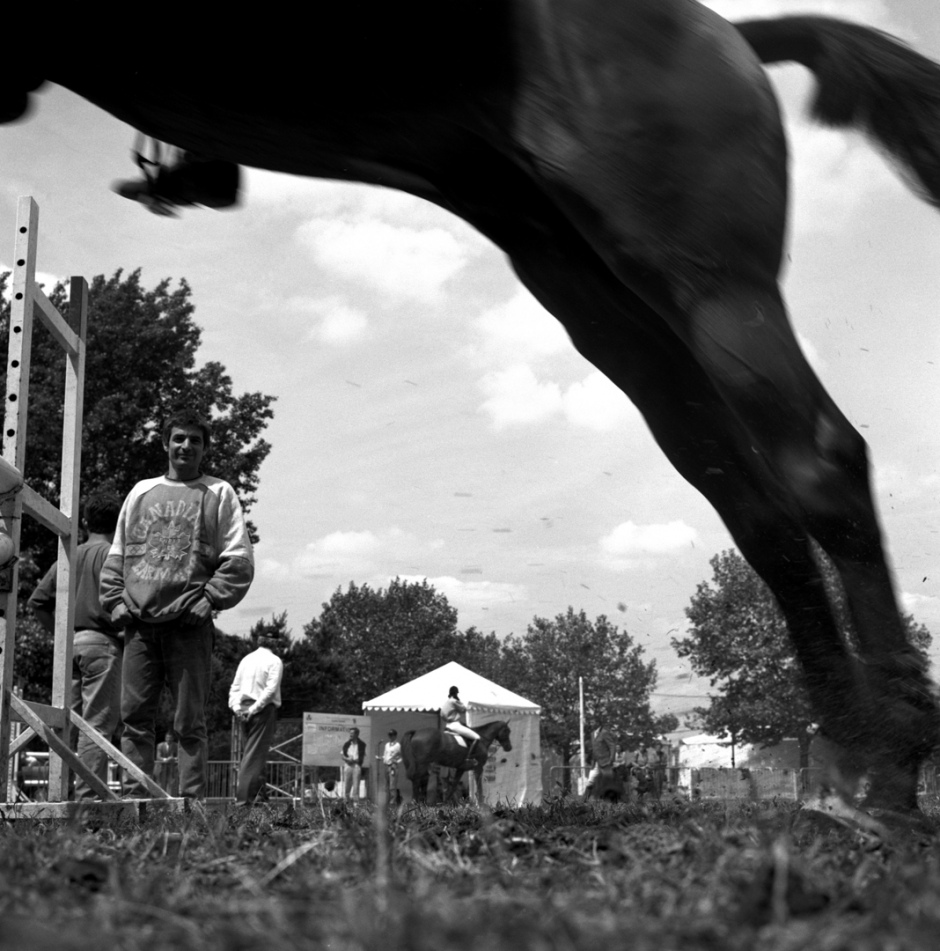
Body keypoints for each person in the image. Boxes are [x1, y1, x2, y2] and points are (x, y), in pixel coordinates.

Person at [100, 409, 255, 799]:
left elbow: (238, 559)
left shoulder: (218, 493)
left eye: (195, 440)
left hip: (188, 623)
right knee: (134, 718)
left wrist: (210, 599)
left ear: (204, 448)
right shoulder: (141, 491)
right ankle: (136, 800)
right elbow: (117, 553)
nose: (186, 446)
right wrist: (114, 600)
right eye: (179, 438)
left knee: (189, 721)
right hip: (139, 623)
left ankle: (191, 804)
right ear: (166, 443)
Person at [28, 492, 125, 801]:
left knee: (63, 722)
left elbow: (38, 602)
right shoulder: (115, 557)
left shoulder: (69, 555)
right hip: (103, 643)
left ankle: (58, 796)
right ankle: (88, 802)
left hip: (68, 645)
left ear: (84, 521)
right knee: (95, 727)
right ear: (118, 522)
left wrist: (60, 634)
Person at [228, 626, 284, 806]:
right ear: (275, 642)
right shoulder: (275, 661)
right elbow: (270, 690)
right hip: (262, 710)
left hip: (242, 708)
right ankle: (243, 801)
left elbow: (235, 687)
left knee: (252, 755)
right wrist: (254, 709)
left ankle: (261, 797)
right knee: (253, 757)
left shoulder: (246, 659)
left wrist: (237, 707)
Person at [441, 685, 480, 760]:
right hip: (455, 725)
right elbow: (463, 709)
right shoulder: (454, 701)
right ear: (456, 693)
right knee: (477, 737)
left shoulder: (446, 702)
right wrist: (459, 700)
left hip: (447, 725)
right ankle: (469, 758)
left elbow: (441, 714)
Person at [583, 723, 616, 799]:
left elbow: (612, 746)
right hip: (596, 762)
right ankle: (582, 801)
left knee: (608, 781)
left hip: (605, 761)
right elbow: (594, 748)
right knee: (590, 781)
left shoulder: (604, 733)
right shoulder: (592, 734)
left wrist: (611, 760)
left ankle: (614, 802)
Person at [378, 729, 403, 804]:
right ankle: (386, 800)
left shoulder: (398, 745)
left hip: (393, 766)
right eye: (389, 735)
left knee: (392, 785)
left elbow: (402, 756)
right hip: (386, 765)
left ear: (395, 736)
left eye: (392, 735)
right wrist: (381, 758)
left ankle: (392, 801)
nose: (390, 737)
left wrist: (397, 762)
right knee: (386, 784)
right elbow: (386, 755)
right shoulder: (387, 745)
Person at [341, 727, 366, 801]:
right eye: (350, 733)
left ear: (357, 734)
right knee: (347, 786)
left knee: (356, 786)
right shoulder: (347, 744)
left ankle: (356, 805)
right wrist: (347, 759)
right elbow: (342, 755)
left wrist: (354, 761)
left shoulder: (361, 744)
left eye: (352, 733)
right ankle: (346, 803)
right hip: (348, 766)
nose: (350, 735)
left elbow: (361, 757)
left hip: (356, 766)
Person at [155, 731, 179, 795]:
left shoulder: (176, 745)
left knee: (171, 784)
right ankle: (161, 797)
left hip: (172, 768)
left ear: (173, 738)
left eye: (170, 738)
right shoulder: (160, 745)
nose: (169, 739)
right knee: (161, 783)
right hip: (162, 768)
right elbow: (158, 757)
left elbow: (179, 756)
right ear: (165, 738)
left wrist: (173, 759)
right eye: (168, 738)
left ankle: (170, 797)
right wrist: (166, 759)